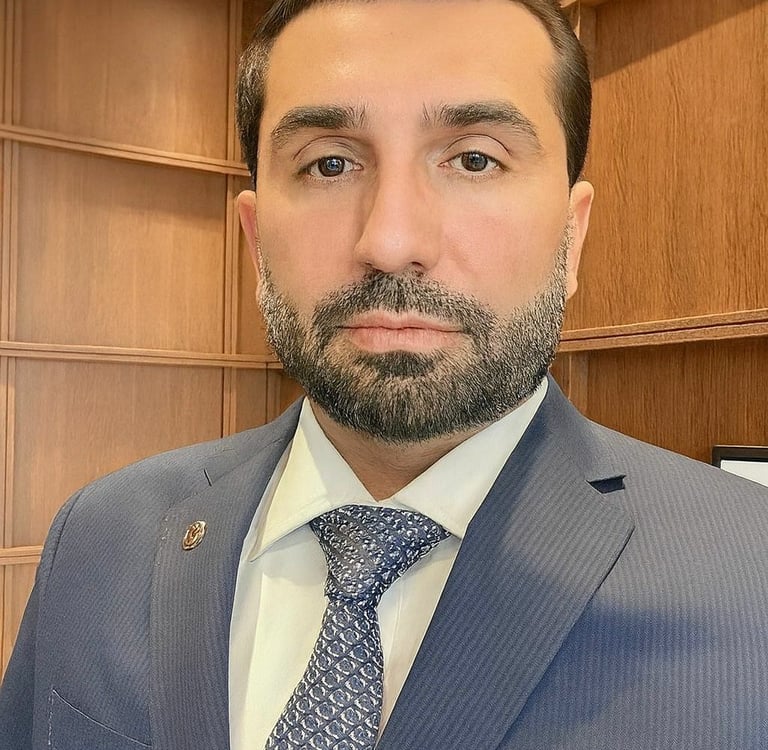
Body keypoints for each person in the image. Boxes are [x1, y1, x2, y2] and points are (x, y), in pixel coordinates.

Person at [2, 0, 768, 747]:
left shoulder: (750, 575)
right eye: (329, 164)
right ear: (256, 242)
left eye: (475, 159)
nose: (392, 240)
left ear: (572, 236)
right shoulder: (101, 538)